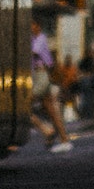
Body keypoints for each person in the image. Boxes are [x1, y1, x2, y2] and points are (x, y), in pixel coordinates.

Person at [31, 23, 72, 152]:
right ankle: (64, 139)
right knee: (52, 111)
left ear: (38, 26)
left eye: (32, 25)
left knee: (23, 106)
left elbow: (35, 52)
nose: (30, 28)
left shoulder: (40, 39)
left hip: (42, 76)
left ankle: (47, 130)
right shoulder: (34, 39)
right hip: (39, 75)